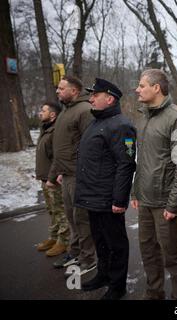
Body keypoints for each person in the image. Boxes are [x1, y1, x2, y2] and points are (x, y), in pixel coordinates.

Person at [131, 69, 177, 300]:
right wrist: (135, 191)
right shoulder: (144, 116)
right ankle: (154, 293)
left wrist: (173, 204)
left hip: (166, 203)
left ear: (156, 88)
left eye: (142, 85)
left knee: (174, 257)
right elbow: (141, 158)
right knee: (148, 252)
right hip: (145, 199)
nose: (137, 89)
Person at [74, 78, 136, 300]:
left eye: (95, 95)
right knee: (99, 240)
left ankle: (117, 286)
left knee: (116, 244)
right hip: (92, 197)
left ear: (109, 99)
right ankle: (103, 275)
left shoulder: (122, 125)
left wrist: (119, 200)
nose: (90, 98)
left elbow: (126, 164)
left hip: (107, 199)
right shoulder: (96, 122)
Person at [51, 75, 96, 275]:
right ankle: (76, 252)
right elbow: (61, 146)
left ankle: (89, 258)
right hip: (67, 175)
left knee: (82, 219)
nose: (57, 91)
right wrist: (55, 173)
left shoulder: (85, 110)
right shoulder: (65, 111)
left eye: (61, 88)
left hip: (80, 176)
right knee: (71, 218)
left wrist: (85, 175)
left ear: (74, 91)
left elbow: (90, 146)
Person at [35, 101, 70, 257]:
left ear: (53, 114)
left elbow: (58, 156)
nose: (40, 113)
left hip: (54, 179)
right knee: (52, 211)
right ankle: (54, 237)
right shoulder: (46, 129)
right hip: (45, 178)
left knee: (60, 211)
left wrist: (53, 177)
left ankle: (64, 241)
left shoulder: (56, 131)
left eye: (43, 111)